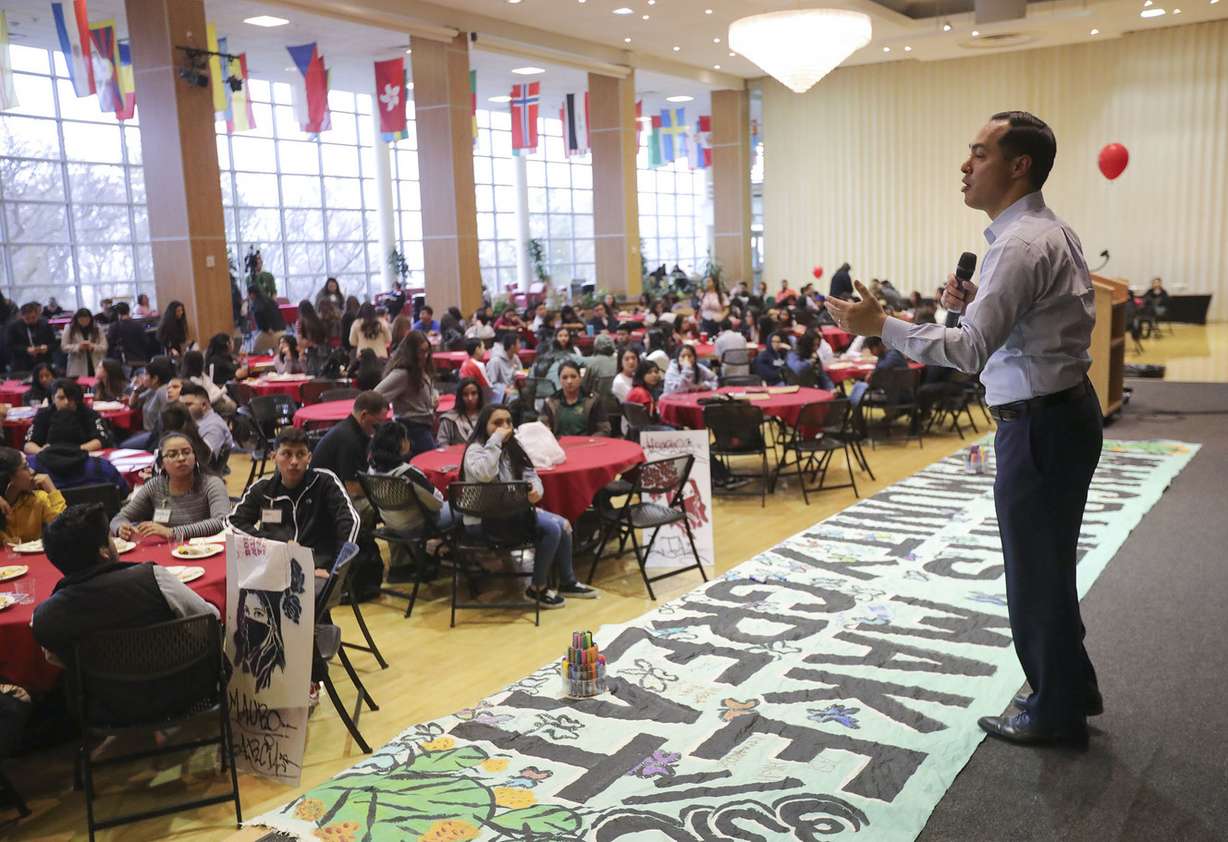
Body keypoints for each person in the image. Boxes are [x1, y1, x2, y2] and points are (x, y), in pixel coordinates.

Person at [826, 110, 1103, 747]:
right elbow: (1024, 328)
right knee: (1048, 566)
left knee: (1034, 573)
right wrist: (972, 303)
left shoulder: (1020, 243)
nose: (964, 165)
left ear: (1018, 165)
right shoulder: (1041, 233)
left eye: (978, 153)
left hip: (1039, 426)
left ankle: (1056, 712)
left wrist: (883, 326)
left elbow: (972, 351)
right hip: (1059, 414)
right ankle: (1070, 686)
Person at [32, 503, 219, 675]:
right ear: (103, 552)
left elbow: (55, 659)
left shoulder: (46, 616)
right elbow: (209, 621)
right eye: (109, 537)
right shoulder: (152, 578)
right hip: (182, 692)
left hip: (104, 706)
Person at [460, 405, 596, 607]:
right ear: (484, 426)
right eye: (497, 423)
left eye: (508, 422)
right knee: (551, 528)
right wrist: (496, 440)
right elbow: (485, 473)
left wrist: (536, 491)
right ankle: (537, 588)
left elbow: (532, 475)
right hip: (485, 520)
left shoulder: (514, 447)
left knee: (564, 525)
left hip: (513, 514)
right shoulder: (476, 450)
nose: (504, 427)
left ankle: (567, 581)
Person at [227, 426, 359, 570]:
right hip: (274, 567)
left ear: (309, 458)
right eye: (287, 454)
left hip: (318, 568)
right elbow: (233, 521)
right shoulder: (263, 490)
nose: (294, 461)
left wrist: (335, 569)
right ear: (274, 456)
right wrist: (277, 544)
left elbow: (350, 522)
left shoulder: (325, 482)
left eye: (300, 454)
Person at [366, 420, 455, 584]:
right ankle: (457, 557)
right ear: (401, 443)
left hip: (391, 523)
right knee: (459, 508)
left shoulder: (371, 470)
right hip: (416, 526)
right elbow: (437, 502)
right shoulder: (407, 473)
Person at [110, 431, 230, 542]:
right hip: (164, 552)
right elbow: (119, 518)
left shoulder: (211, 484)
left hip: (206, 551)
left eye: (186, 452)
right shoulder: (155, 486)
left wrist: (172, 532)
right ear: (161, 464)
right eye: (172, 455)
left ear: (195, 457)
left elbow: (221, 521)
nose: (181, 458)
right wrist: (121, 528)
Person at [375, 330, 439, 456]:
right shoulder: (403, 373)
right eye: (421, 351)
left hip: (424, 424)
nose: (425, 355)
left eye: (427, 351)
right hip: (412, 427)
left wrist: (433, 397)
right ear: (411, 352)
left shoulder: (421, 368)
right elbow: (377, 395)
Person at [24, 379, 110, 454]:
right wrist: (42, 451)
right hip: (50, 458)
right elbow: (28, 444)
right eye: (61, 398)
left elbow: (101, 439)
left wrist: (75, 451)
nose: (66, 402)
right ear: (53, 398)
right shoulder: (43, 414)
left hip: (83, 456)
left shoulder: (89, 414)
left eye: (71, 398)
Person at [0, 447, 65, 543]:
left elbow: (65, 530)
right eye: (25, 467)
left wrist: (52, 490)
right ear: (10, 477)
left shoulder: (38, 499)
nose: (32, 471)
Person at [541, 362, 611, 437]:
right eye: (564, 377)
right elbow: (542, 428)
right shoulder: (550, 402)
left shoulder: (593, 400)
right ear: (559, 380)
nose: (569, 381)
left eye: (573, 377)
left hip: (587, 445)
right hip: (558, 446)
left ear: (580, 378)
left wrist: (590, 441)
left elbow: (605, 429)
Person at [123, 356, 176, 449]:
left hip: (156, 435)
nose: (143, 377)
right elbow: (132, 404)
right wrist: (137, 390)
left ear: (155, 378)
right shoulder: (152, 389)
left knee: (123, 446)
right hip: (147, 432)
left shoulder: (163, 391)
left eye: (145, 374)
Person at [178, 383, 234, 465]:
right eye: (182, 405)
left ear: (204, 405)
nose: (183, 409)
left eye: (188, 405)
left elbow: (204, 461)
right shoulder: (193, 421)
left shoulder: (214, 428)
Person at [181, 349, 234, 414]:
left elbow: (213, 388)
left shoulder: (202, 375)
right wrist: (224, 390)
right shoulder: (193, 381)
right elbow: (208, 400)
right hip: (210, 405)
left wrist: (226, 398)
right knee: (232, 406)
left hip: (217, 398)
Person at [6, 303, 56, 372]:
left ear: (38, 314)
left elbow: (54, 344)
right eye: (27, 318)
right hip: (22, 364)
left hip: (43, 362)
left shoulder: (45, 324)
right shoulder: (13, 327)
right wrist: (26, 349)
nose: (31, 320)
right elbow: (9, 346)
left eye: (33, 317)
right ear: (22, 316)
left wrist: (47, 348)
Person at [61, 308, 107, 378]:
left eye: (87, 319)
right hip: (77, 364)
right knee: (80, 385)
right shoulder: (69, 328)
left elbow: (104, 346)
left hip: (95, 362)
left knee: (96, 385)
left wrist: (92, 346)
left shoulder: (97, 328)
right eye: (81, 320)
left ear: (90, 319)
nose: (84, 322)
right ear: (77, 319)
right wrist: (78, 347)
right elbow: (64, 347)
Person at [437, 377, 484, 445]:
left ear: (479, 395)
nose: (470, 398)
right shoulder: (449, 419)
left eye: (473, 393)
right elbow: (442, 443)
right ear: (460, 397)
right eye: (465, 394)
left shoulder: (487, 417)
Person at [247, 285, 286, 355]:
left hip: (271, 332)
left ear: (252, 294)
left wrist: (267, 328)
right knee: (278, 357)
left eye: (248, 294)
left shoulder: (257, 302)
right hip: (283, 331)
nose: (248, 297)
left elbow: (259, 315)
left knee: (256, 350)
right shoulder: (269, 299)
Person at [486, 332, 524, 400]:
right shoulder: (495, 361)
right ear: (512, 346)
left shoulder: (515, 358)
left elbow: (520, 373)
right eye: (518, 343)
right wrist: (504, 389)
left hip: (514, 389)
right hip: (501, 394)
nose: (520, 346)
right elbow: (491, 383)